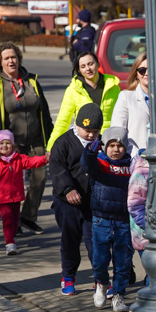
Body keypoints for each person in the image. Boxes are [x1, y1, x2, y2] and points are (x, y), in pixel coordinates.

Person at [0, 43, 54, 234]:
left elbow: (45, 112)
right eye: (6, 58)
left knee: (40, 179)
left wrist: (51, 138)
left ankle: (28, 217)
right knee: (12, 186)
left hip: (35, 140)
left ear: (19, 59)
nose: (11, 61)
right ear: (0, 62)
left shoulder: (32, 81)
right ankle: (13, 223)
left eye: (13, 57)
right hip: (9, 146)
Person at [50, 103, 102, 296]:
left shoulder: (99, 144)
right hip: (67, 204)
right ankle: (68, 277)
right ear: (77, 125)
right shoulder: (63, 142)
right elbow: (57, 169)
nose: (90, 135)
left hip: (91, 203)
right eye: (87, 130)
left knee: (95, 242)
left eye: (95, 132)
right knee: (70, 241)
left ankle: (100, 279)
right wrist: (68, 189)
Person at [81, 126, 133, 312]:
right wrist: (90, 150)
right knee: (100, 260)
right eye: (111, 145)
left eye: (120, 145)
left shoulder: (131, 165)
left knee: (123, 261)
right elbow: (86, 162)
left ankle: (118, 294)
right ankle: (101, 283)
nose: (116, 149)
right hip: (101, 220)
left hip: (123, 221)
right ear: (105, 147)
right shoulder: (100, 164)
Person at [0, 130, 48, 254]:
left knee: (15, 221)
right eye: (1, 143)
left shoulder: (18, 159)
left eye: (8, 143)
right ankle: (9, 243)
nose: (5, 146)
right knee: (8, 220)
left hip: (16, 197)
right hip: (3, 199)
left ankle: (11, 236)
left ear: (13, 145)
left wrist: (45, 159)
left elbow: (32, 162)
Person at [47, 52, 120, 150]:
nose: (88, 69)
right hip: (84, 144)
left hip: (109, 143)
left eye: (91, 64)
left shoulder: (113, 86)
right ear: (79, 70)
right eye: (83, 66)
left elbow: (121, 117)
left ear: (98, 64)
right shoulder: (73, 90)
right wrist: (51, 147)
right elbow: (63, 121)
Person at [110, 52, 150, 156]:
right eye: (142, 70)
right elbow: (117, 132)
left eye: (151, 69)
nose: (147, 73)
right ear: (136, 74)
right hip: (135, 161)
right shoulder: (126, 97)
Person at [127, 151, 149, 256]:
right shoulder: (141, 172)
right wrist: (149, 226)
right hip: (145, 233)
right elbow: (135, 205)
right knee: (154, 269)